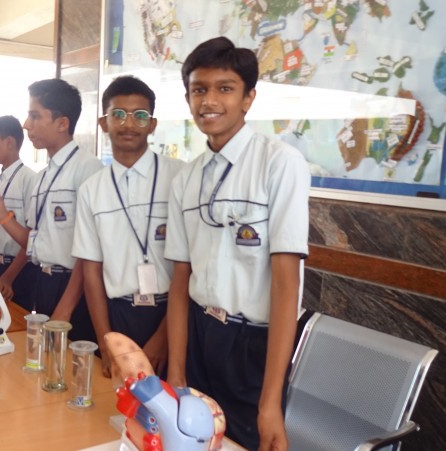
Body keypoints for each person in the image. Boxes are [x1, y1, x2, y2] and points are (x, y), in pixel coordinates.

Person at [164, 36, 310, 451]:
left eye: (225, 88)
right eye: (199, 89)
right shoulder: (187, 178)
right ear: (188, 98)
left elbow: (286, 284)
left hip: (252, 344)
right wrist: (176, 372)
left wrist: (270, 402)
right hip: (199, 334)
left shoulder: (279, 163)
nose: (209, 101)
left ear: (248, 98)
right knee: (192, 442)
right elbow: (181, 279)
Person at [73, 76, 184, 378]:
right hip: (117, 315)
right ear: (103, 123)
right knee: (118, 401)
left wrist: (164, 339)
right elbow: (91, 271)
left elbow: (190, 267)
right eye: (119, 114)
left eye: (140, 115)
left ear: (153, 124)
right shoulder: (92, 189)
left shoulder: (180, 178)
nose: (129, 124)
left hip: (172, 315)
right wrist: (105, 339)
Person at [0, 78, 103, 343]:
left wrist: (65, 308)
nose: (26, 124)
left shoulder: (88, 169)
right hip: (42, 282)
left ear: (62, 123)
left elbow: (90, 253)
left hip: (73, 288)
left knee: (70, 361)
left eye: (35, 116)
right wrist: (2, 216)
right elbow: (32, 241)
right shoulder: (44, 176)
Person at [0, 115, 38, 309]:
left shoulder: (31, 180)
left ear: (9, 142)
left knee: (14, 323)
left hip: (18, 271)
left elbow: (32, 239)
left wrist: (9, 277)